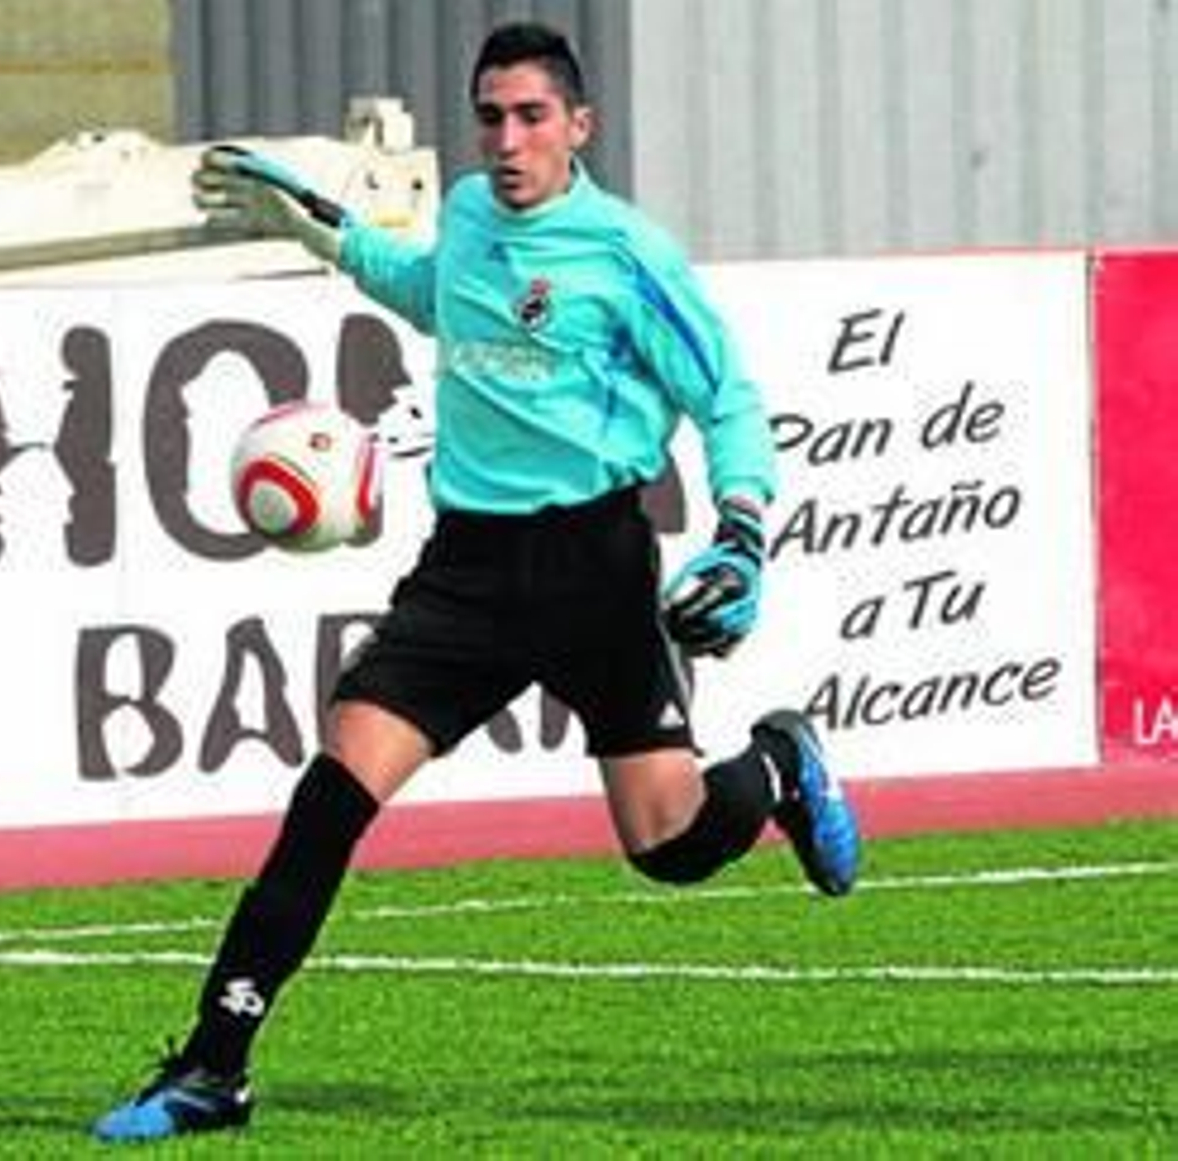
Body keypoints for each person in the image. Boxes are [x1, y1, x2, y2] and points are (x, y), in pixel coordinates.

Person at [93, 20, 860, 1144]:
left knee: (668, 846)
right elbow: (432, 291)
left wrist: (741, 532)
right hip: (466, 574)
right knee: (327, 801)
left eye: (531, 117)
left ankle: (779, 766)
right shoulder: (464, 215)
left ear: (577, 128)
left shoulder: (622, 253)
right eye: (491, 116)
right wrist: (327, 233)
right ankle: (214, 1068)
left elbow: (727, 398)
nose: (507, 140)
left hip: (594, 566)